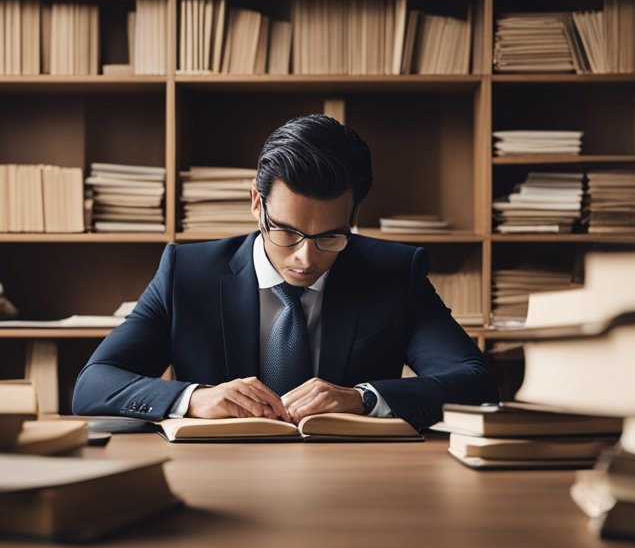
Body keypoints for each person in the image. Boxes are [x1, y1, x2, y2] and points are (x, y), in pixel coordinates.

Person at [71, 113, 498, 431]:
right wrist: (193, 398)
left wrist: (363, 399)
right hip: (216, 478)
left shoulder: (393, 273)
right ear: (257, 204)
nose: (305, 259)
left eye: (330, 236)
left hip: (356, 482)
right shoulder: (187, 273)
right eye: (287, 232)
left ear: (353, 216)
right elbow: (92, 385)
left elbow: (477, 384)